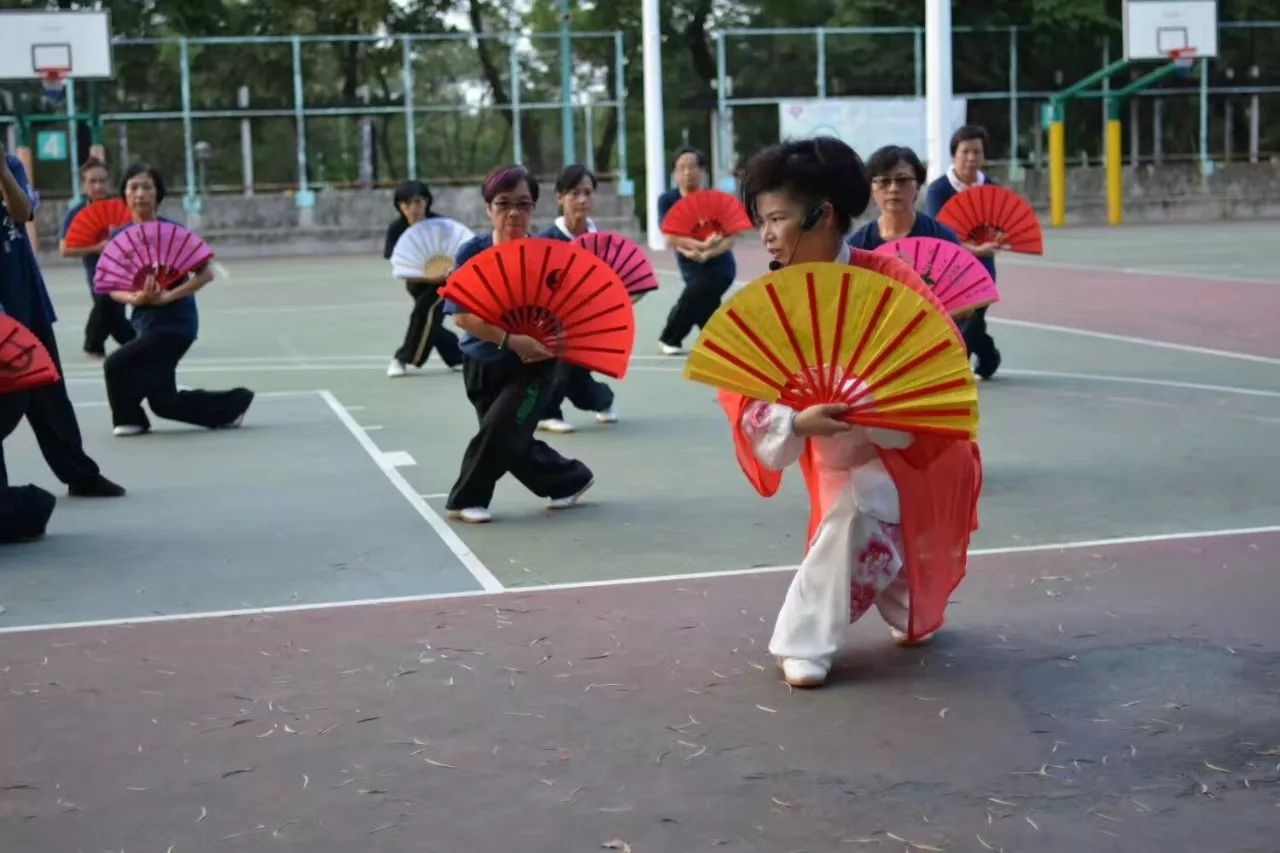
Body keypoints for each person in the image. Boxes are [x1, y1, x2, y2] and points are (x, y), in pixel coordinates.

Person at [729, 137, 982, 688]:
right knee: (869, 521)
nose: (766, 234)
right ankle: (903, 593)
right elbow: (746, 397)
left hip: (909, 451)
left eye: (777, 219)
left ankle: (803, 640)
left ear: (824, 215)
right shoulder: (768, 299)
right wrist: (795, 422)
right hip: (829, 450)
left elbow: (942, 374)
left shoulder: (894, 283)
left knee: (866, 506)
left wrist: (873, 414)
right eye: (762, 220)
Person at [441, 165, 594, 525]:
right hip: (481, 361)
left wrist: (551, 343)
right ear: (488, 207)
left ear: (535, 208)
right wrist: (511, 338)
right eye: (503, 203)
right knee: (508, 438)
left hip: (534, 365)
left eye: (524, 204)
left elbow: (573, 308)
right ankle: (569, 479)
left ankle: (466, 498)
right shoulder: (471, 253)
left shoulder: (551, 252)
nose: (514, 212)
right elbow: (461, 316)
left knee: (499, 431)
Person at [0, 144, 125, 502]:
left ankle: (80, 475)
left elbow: (21, 213)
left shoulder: (10, 166)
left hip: (26, 298)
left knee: (51, 394)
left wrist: (4, 173)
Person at [103, 164, 254, 436]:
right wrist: (136, 297)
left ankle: (129, 419)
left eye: (147, 187)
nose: (140, 194)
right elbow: (113, 286)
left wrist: (167, 297)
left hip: (176, 325)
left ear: (158, 194)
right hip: (144, 324)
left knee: (115, 364)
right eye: (133, 187)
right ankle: (233, 405)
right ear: (124, 194)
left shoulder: (173, 232)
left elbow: (205, 274)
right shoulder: (119, 236)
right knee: (163, 403)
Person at [535, 164, 617, 433]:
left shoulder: (602, 242)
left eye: (587, 193)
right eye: (574, 193)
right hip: (549, 320)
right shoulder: (547, 239)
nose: (582, 199)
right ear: (559, 197)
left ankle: (594, 401)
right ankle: (554, 411)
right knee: (566, 363)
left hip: (588, 319)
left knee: (571, 369)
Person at [923, 125, 1002, 378]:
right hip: (949, 268)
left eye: (977, 152)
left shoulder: (991, 187)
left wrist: (996, 242)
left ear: (984, 156)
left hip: (983, 268)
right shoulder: (939, 190)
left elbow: (1000, 225)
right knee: (964, 322)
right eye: (965, 151)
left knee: (973, 321)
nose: (971, 158)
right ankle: (989, 358)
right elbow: (939, 234)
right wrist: (974, 248)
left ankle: (956, 374)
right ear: (953, 154)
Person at [657, 147, 737, 355]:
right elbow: (670, 236)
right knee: (703, 298)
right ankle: (715, 340)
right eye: (681, 168)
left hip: (720, 263)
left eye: (692, 167)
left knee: (698, 291)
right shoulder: (667, 200)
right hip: (689, 262)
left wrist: (708, 253)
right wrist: (696, 249)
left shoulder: (716, 199)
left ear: (702, 171)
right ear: (674, 174)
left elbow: (730, 239)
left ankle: (670, 337)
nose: (686, 172)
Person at [384, 179, 463, 378]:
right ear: (399, 206)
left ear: (427, 201)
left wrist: (447, 272)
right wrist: (427, 277)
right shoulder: (397, 229)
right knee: (429, 320)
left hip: (446, 283)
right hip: (416, 283)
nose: (413, 208)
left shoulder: (442, 225)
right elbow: (398, 262)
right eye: (406, 204)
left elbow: (460, 252)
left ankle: (402, 358)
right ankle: (457, 356)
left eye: (418, 202)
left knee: (423, 313)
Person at [59, 158, 135, 358]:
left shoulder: (125, 206)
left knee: (112, 312)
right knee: (107, 306)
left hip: (125, 271)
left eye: (102, 181)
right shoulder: (77, 212)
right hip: (97, 273)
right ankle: (128, 343)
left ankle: (99, 345)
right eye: (92, 181)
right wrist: (97, 247)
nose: (98, 186)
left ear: (110, 181)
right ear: (84, 184)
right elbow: (65, 250)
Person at [846, 145, 961, 251]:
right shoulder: (858, 246)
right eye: (884, 181)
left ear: (918, 185)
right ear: (871, 188)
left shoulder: (943, 238)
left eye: (902, 180)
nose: (893, 189)